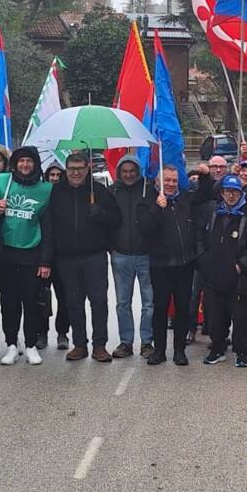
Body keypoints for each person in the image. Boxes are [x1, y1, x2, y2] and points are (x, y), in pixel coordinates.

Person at [47, 152, 120, 362]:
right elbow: (49, 225)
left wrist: (101, 214)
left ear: (87, 169)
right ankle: (80, 344)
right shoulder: (56, 193)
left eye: (80, 168)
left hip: (94, 256)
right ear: (66, 170)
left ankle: (100, 345)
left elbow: (116, 219)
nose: (76, 172)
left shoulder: (99, 191)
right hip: (66, 258)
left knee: (98, 301)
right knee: (73, 302)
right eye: (72, 169)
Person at [0, 146, 53, 366]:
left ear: (36, 164)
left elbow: (48, 228)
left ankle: (31, 345)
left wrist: (45, 260)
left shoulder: (46, 190)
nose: (25, 165)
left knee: (31, 301)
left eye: (29, 161)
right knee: (9, 301)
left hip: (31, 254)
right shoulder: (1, 182)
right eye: (21, 161)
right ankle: (10, 344)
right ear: (15, 164)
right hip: (6, 253)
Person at [137, 165, 201, 366]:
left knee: (183, 308)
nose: (171, 184)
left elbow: (206, 193)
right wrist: (157, 207)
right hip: (160, 265)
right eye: (167, 180)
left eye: (174, 180)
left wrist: (205, 176)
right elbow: (145, 228)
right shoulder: (147, 201)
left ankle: (180, 350)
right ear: (157, 182)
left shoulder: (184, 200)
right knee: (160, 309)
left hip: (184, 264)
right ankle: (160, 351)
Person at [199, 174, 247, 366]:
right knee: (215, 316)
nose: (231, 195)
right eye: (228, 191)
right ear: (222, 192)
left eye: (235, 192)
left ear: (241, 193)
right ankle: (218, 348)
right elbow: (199, 237)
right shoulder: (211, 212)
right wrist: (204, 260)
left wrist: (241, 265)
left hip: (239, 277)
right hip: (213, 275)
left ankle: (241, 351)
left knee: (241, 317)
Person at [109, 153, 155, 358]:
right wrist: (111, 246)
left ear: (138, 171)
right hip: (121, 254)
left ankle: (147, 341)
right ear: (119, 172)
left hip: (146, 254)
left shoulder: (149, 189)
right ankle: (125, 342)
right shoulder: (112, 191)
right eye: (125, 171)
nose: (128, 175)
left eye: (132, 171)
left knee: (149, 303)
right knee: (122, 303)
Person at [41, 162, 70, 350]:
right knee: (41, 297)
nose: (55, 178)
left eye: (58, 175)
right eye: (51, 174)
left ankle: (62, 333)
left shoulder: (67, 196)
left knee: (64, 297)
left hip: (62, 256)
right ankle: (41, 333)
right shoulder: (41, 195)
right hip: (41, 255)